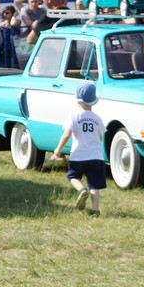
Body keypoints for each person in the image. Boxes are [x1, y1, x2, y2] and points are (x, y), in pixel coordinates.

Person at [50, 81, 106, 216]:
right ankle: (95, 210)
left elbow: (66, 134)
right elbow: (100, 137)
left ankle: (81, 190)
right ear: (94, 101)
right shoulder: (97, 118)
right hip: (96, 156)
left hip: (78, 155)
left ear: (78, 101)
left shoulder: (74, 116)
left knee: (73, 176)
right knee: (94, 185)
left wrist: (58, 150)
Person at [0, 5, 20, 69]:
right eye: (3, 12)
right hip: (5, 48)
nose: (4, 14)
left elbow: (13, 24)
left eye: (7, 13)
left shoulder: (17, 21)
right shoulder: (2, 24)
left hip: (15, 48)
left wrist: (14, 16)